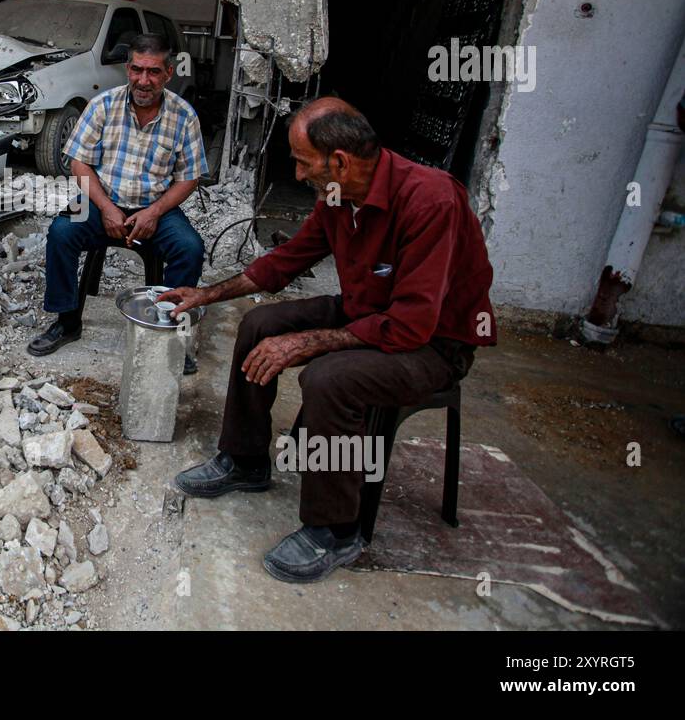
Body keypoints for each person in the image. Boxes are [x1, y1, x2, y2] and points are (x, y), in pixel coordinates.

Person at [160, 97, 495, 583]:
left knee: (330, 378)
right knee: (259, 326)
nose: (297, 175)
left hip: (432, 344)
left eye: (301, 162)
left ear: (339, 161)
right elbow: (286, 260)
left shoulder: (431, 200)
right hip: (366, 311)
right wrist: (210, 293)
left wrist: (307, 343)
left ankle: (335, 530)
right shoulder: (339, 197)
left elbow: (410, 325)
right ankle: (246, 460)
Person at [27, 33, 207, 372]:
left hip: (155, 208)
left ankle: (167, 335)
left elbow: (189, 178)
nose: (143, 80)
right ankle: (67, 321)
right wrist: (107, 208)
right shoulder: (103, 105)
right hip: (101, 201)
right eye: (137, 70)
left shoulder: (184, 116)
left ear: (168, 73)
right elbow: (80, 164)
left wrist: (154, 212)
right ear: (128, 68)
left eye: (153, 72)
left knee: (190, 248)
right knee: (62, 232)